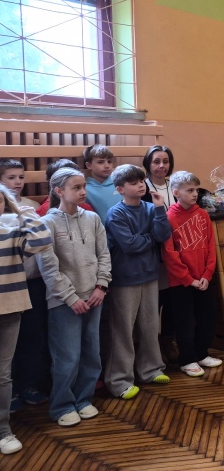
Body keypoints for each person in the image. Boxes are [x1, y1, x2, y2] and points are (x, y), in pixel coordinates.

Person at [36, 169, 111, 427]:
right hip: (64, 302)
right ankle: (62, 405)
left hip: (94, 297)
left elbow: (104, 255)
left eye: (83, 187)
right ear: (59, 191)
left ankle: (83, 399)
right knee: (67, 357)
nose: (82, 192)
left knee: (91, 353)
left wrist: (101, 286)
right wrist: (70, 297)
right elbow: (49, 268)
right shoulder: (47, 223)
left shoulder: (92, 218)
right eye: (76, 187)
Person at [104, 165, 172, 399]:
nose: (140, 185)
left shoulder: (151, 208)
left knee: (150, 326)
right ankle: (119, 381)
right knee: (123, 330)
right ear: (120, 189)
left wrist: (160, 208)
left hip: (150, 275)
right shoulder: (116, 213)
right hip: (125, 278)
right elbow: (130, 245)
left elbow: (163, 235)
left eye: (141, 181)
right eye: (133, 183)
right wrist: (151, 238)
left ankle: (151, 370)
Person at [0, 184, 52, 456]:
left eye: (0, 201)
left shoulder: (12, 230)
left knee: (3, 374)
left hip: (9, 307)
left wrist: (23, 213)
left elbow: (42, 239)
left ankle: (3, 430)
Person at [162, 171, 221, 377]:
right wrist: (189, 279)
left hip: (204, 279)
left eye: (196, 189)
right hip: (182, 283)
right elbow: (169, 254)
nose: (195, 194)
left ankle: (201, 353)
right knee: (185, 322)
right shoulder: (169, 217)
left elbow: (211, 247)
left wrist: (207, 274)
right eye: (190, 190)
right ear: (176, 193)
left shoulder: (203, 215)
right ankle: (187, 359)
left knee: (207, 318)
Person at [141, 145, 178, 364]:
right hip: (154, 253)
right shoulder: (142, 187)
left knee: (172, 300)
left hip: (176, 253)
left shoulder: (176, 185)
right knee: (154, 302)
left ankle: (168, 340)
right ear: (148, 164)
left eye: (165, 161)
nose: (161, 166)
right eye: (156, 161)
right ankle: (152, 346)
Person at [83, 145, 121, 223]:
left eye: (109, 162)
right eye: (100, 162)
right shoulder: (85, 189)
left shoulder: (120, 183)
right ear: (89, 165)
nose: (107, 166)